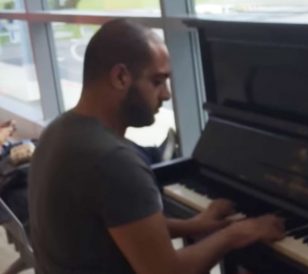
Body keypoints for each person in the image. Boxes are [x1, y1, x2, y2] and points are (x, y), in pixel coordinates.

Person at [28, 19, 284, 274]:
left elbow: (125, 224)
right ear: (120, 77)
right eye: (157, 81)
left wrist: (194, 226)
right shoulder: (113, 161)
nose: (166, 94)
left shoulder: (59, 131)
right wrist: (235, 234)